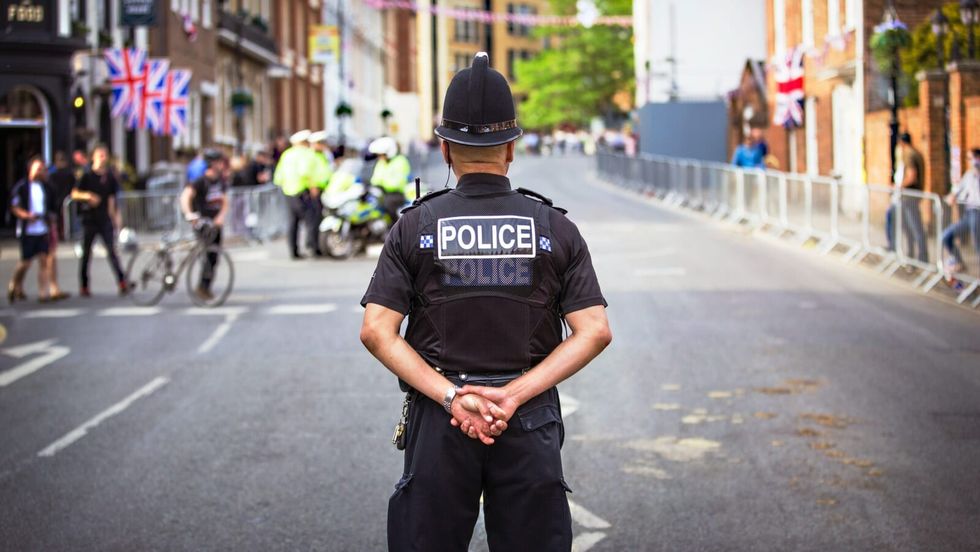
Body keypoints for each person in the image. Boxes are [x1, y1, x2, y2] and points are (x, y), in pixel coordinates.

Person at [359, 52, 612, 551]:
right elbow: (594, 330)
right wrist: (514, 395)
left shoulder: (414, 226)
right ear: (511, 147)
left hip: (440, 415)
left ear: (446, 148)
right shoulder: (554, 227)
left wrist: (454, 397)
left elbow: (376, 330)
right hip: (529, 415)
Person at [8, 156, 69, 303]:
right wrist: (27, 216)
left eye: (43, 169)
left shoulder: (46, 187)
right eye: (38, 169)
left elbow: (53, 206)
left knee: (43, 259)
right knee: (26, 262)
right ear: (30, 169)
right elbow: (14, 207)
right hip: (27, 230)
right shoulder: (22, 187)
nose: (41, 172)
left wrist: (51, 219)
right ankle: (14, 284)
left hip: (42, 229)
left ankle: (43, 293)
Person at [72, 144, 128, 297]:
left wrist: (117, 222)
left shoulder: (109, 177)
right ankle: (84, 286)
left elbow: (111, 200)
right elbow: (75, 193)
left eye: (105, 155)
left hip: (104, 219)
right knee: (86, 254)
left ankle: (122, 282)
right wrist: (88, 196)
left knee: (112, 251)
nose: (104, 158)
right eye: (100, 155)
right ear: (93, 157)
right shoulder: (86, 175)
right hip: (89, 219)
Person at [180, 149, 229, 301]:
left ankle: (205, 287)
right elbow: (185, 196)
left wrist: (221, 217)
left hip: (215, 225)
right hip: (203, 224)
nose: (222, 165)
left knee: (214, 257)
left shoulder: (220, 181)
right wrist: (189, 215)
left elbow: (225, 201)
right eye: (220, 162)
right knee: (207, 257)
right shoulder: (200, 181)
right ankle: (202, 286)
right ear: (212, 164)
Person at [274, 130, 318, 259]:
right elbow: (305, 172)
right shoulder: (306, 154)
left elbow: (278, 176)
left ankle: (293, 251)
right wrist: (312, 187)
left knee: (292, 222)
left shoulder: (286, 155)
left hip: (288, 192)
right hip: (302, 191)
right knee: (311, 219)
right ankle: (312, 246)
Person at [886, 132, 928, 263]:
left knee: (914, 227)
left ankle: (921, 258)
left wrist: (899, 187)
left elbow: (912, 175)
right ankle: (912, 255)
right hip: (911, 196)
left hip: (909, 196)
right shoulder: (916, 153)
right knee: (909, 227)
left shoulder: (909, 154)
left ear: (901, 143)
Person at [942, 148, 980, 274]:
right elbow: (958, 191)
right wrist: (952, 196)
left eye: (971, 158)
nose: (970, 161)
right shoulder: (968, 175)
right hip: (969, 214)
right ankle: (959, 262)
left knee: (977, 245)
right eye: (968, 158)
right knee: (947, 236)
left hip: (977, 212)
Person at [368, 136, 413, 223]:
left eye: (381, 154)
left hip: (396, 194)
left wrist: (382, 182)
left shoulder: (401, 161)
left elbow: (398, 183)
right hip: (382, 193)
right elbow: (374, 179)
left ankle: (394, 227)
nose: (379, 157)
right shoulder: (381, 163)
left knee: (388, 204)